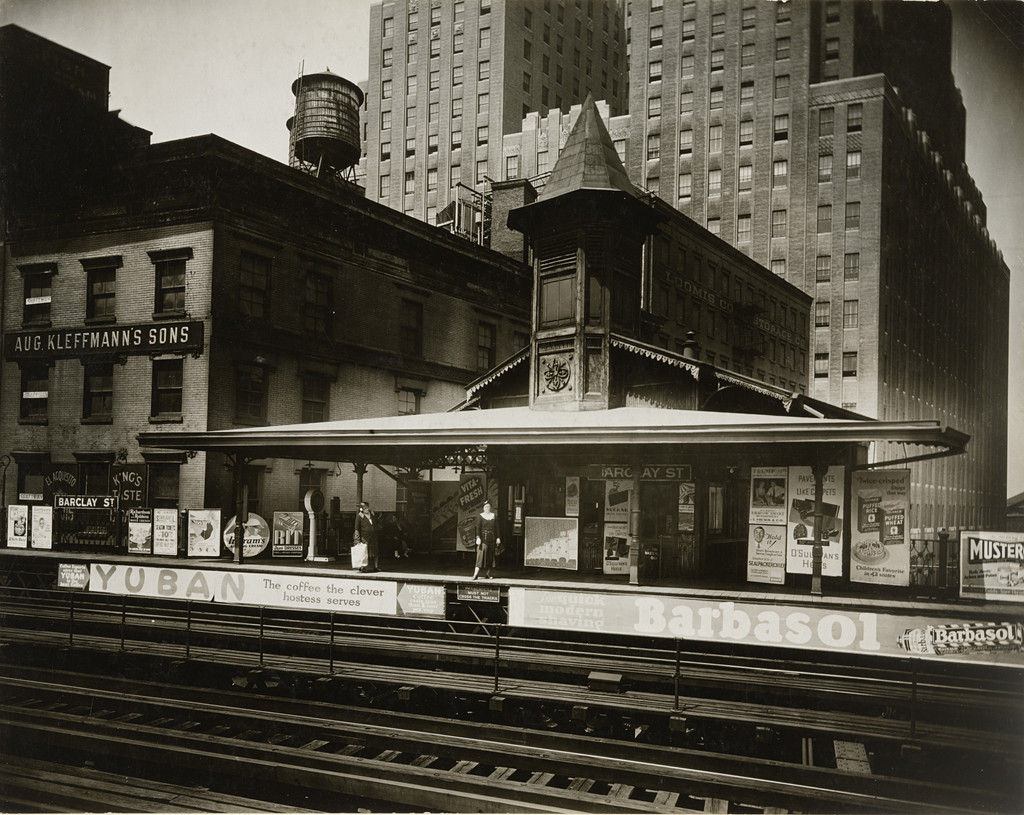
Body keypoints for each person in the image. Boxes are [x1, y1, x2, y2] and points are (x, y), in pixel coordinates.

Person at [472, 500, 501, 580]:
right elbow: (478, 528)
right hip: (483, 540)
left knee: (490, 557)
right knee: (480, 556)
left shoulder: (494, 516)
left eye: (488, 506)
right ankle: (475, 574)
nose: (487, 508)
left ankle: (487, 573)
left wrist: (498, 537)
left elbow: (497, 528)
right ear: (483, 508)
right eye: (485, 507)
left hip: (492, 539)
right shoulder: (480, 516)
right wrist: (478, 537)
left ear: (490, 507)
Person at [353, 500, 380, 573]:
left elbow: (375, 523)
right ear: (361, 509)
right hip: (365, 537)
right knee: (364, 552)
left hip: (373, 536)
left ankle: (376, 566)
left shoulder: (372, 514)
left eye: (367, 507)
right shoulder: (360, 516)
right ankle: (363, 567)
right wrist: (357, 538)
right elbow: (357, 528)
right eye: (364, 508)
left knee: (375, 551)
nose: (367, 509)